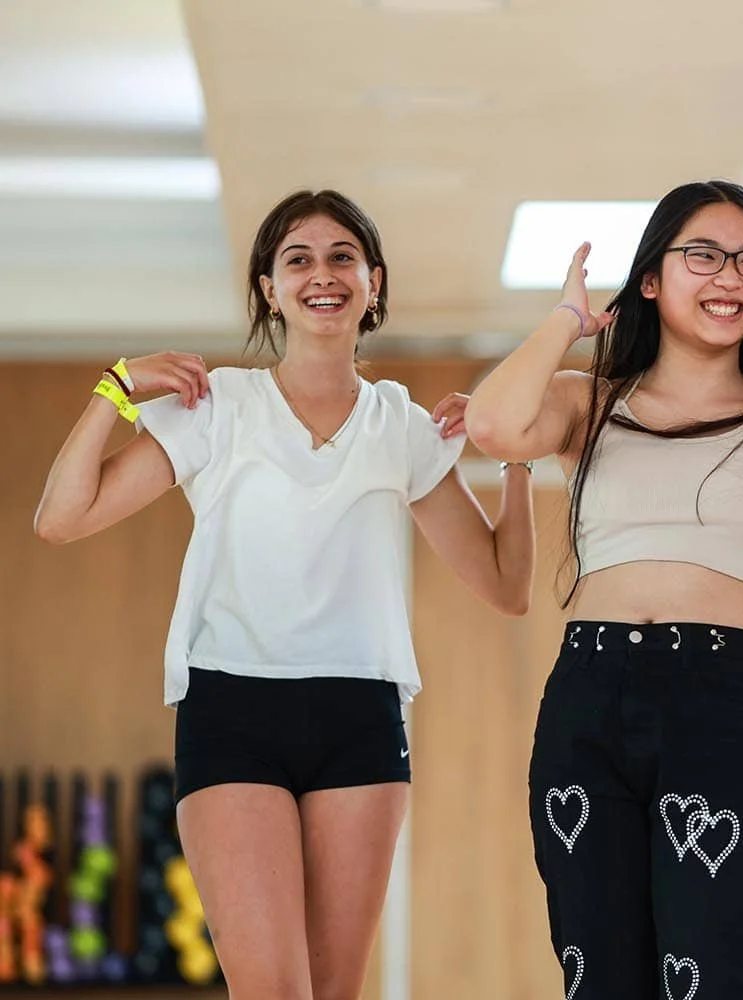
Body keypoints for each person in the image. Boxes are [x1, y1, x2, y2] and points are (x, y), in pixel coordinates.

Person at [33, 189, 535, 1000]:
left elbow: (508, 586)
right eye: (297, 258)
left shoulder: (402, 425)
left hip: (360, 718)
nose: (322, 274)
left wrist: (512, 450)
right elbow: (61, 518)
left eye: (343, 257)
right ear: (270, 288)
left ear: (374, 282)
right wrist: (115, 388)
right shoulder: (216, 407)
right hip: (232, 712)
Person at [466, 179, 743, 999]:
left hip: (714, 699)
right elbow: (495, 425)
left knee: (710, 970)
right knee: (597, 971)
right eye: (705, 256)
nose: (730, 276)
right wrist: (566, 325)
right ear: (651, 278)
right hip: (590, 695)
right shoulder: (591, 404)